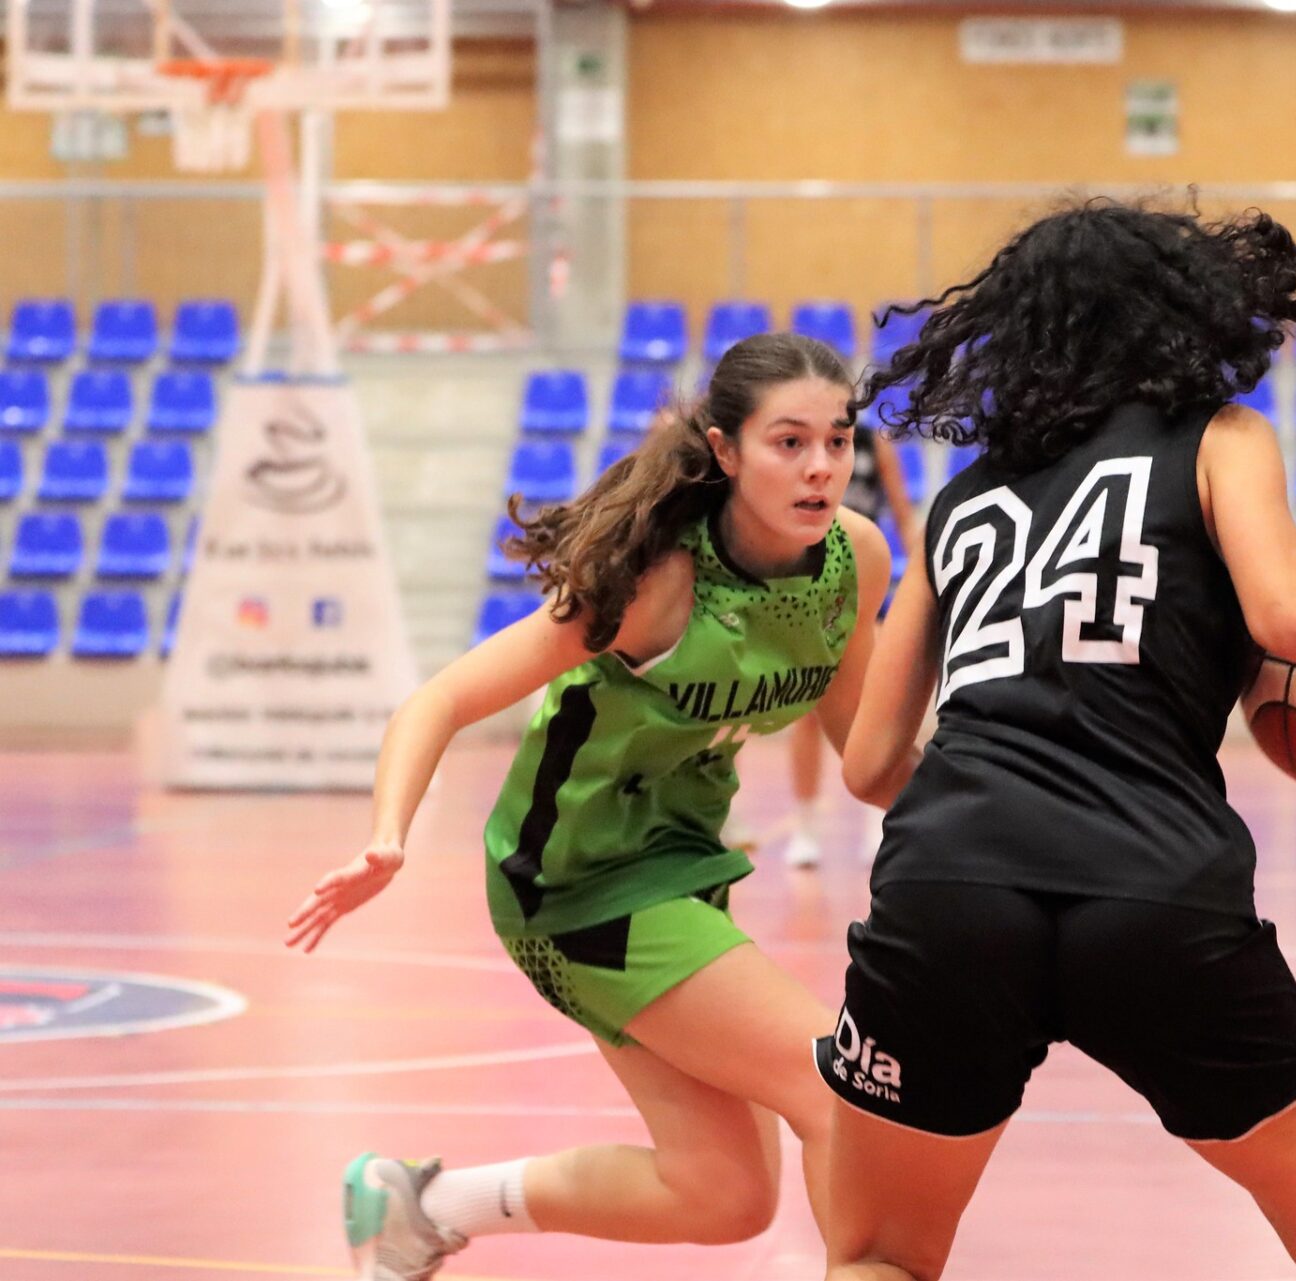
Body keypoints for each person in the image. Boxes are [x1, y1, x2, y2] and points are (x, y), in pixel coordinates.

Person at [816, 201, 1296, 1281]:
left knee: (880, 1254)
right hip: (1152, 881)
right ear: (1182, 317)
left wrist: (998, 799)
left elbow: (869, 766)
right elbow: (1292, 614)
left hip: (951, 880)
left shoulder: (962, 500)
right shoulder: (1218, 439)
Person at [283, 333, 903, 1280]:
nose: (822, 466)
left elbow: (865, 753)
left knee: (724, 1194)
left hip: (679, 863)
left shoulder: (854, 558)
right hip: (574, 880)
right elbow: (439, 700)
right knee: (839, 1087)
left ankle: (421, 1208)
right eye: (789, 442)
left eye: (838, 439)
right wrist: (387, 838)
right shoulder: (658, 582)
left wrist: (999, 802)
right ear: (726, 450)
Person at [779, 416, 920, 869]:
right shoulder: (807, 453)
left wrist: (923, 574)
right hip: (807, 587)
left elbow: (902, 512)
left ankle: (879, 823)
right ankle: (805, 826)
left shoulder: (875, 445)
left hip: (859, 583)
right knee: (808, 712)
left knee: (876, 707)